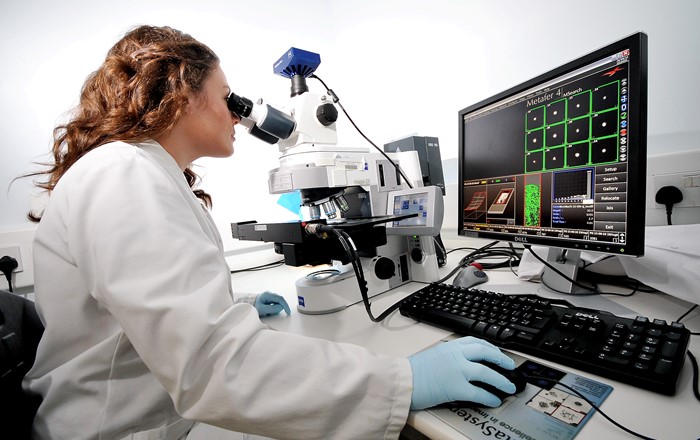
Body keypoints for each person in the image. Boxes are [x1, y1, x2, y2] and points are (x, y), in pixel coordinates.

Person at [22, 25, 516, 440]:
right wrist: (404, 379)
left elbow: (154, 314)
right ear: (180, 94)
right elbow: (216, 367)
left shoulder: (134, 170)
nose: (238, 115)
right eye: (227, 98)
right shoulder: (123, 173)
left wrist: (231, 309)